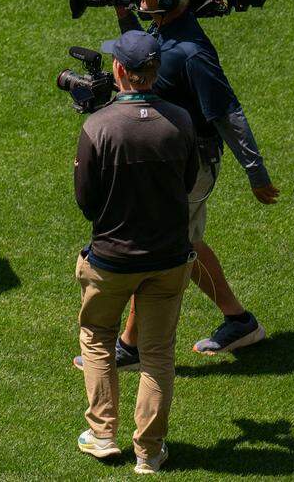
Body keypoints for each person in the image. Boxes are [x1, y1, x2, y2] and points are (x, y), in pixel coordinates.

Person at [76, 0, 278, 367]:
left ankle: (129, 348)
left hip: (192, 164)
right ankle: (238, 320)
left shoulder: (191, 51)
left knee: (159, 248)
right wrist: (123, 17)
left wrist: (256, 173)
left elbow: (227, 112)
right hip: (174, 159)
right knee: (182, 244)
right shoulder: (165, 30)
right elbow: (141, 60)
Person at [74, 29, 197, 475]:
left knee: (98, 337)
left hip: (111, 261)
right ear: (155, 71)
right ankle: (149, 453)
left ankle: (103, 435)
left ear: (120, 70)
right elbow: (187, 184)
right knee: (158, 353)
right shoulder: (181, 120)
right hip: (168, 261)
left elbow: (86, 199)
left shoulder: (98, 126)